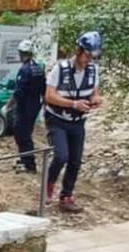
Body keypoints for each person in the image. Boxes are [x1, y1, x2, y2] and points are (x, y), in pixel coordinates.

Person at [44, 31, 103, 213]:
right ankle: (48, 185)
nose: (88, 61)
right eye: (86, 56)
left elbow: (94, 92)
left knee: (75, 160)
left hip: (78, 121)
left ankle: (66, 196)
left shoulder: (93, 70)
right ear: (79, 51)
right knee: (61, 155)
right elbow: (49, 96)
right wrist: (73, 103)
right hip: (57, 119)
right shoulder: (59, 69)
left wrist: (95, 100)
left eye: (92, 57)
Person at [3, 39, 46, 174]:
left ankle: (29, 164)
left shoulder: (25, 70)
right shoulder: (38, 68)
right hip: (34, 107)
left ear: (22, 53)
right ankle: (25, 159)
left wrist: (8, 106)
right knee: (25, 133)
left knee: (22, 134)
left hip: (24, 107)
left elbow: (19, 92)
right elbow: (43, 89)